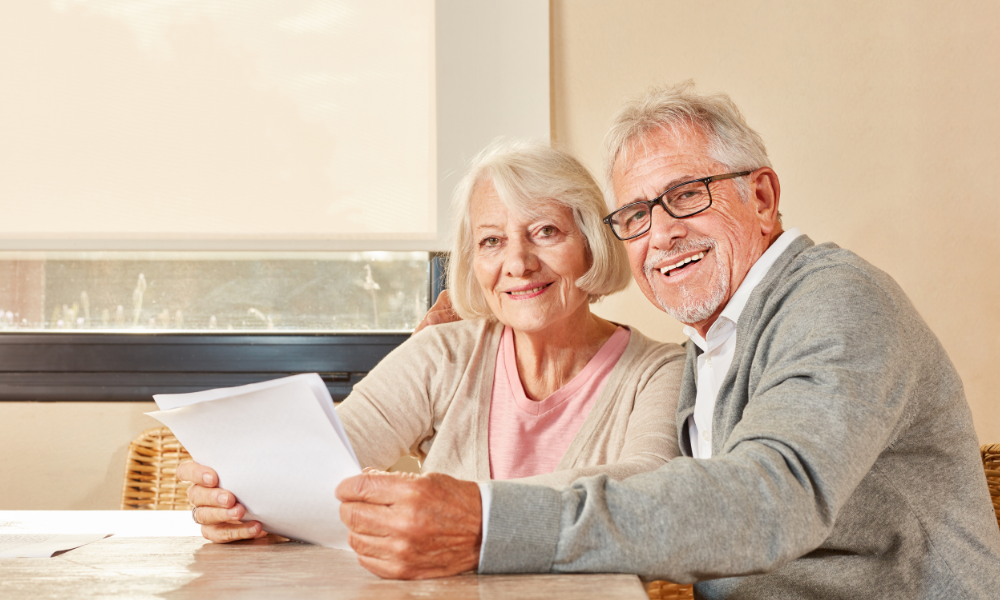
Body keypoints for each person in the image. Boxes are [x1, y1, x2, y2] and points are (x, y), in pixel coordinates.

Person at [334, 83, 1000, 597]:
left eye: (686, 195)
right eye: (637, 215)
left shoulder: (836, 300)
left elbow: (770, 500)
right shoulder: (711, 348)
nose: (662, 234)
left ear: (762, 196)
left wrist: (488, 518)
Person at [178, 140, 686, 546]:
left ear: (591, 243)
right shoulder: (442, 354)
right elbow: (318, 464)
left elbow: (645, 490)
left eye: (546, 231)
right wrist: (236, 498)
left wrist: (461, 508)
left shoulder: (661, 371)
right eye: (491, 241)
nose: (518, 262)